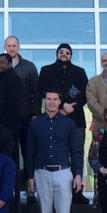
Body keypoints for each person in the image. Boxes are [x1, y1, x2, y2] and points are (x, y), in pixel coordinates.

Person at [26, 89, 84, 213]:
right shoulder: (36, 124)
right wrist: (29, 176)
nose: (51, 102)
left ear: (60, 102)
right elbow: (29, 151)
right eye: (48, 99)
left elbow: (76, 150)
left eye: (55, 99)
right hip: (41, 172)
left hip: (63, 173)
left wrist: (78, 174)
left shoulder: (68, 123)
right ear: (45, 102)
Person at [39, 43, 91, 204]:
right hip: (52, 117)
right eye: (61, 52)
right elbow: (41, 90)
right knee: (54, 151)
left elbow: (85, 94)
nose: (64, 54)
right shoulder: (46, 70)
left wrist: (72, 107)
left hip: (75, 119)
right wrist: (60, 107)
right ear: (57, 54)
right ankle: (54, 191)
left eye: (67, 52)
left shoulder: (80, 72)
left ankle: (77, 191)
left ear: (71, 55)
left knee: (76, 154)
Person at [3, 35, 41, 164]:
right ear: (4, 47)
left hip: (26, 115)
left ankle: (29, 181)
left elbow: (36, 92)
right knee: (10, 149)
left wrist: (36, 113)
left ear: (18, 47)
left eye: (14, 46)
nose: (11, 48)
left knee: (27, 149)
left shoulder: (29, 67)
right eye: (9, 46)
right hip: (6, 117)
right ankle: (12, 182)